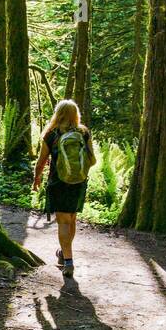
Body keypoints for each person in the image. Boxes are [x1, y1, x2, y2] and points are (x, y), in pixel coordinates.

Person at [33, 99, 95, 277]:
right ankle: (64, 253)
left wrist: (36, 178)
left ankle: (68, 261)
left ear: (58, 113)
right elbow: (92, 159)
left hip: (58, 182)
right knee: (71, 220)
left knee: (63, 221)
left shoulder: (51, 134)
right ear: (76, 114)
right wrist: (78, 173)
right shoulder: (83, 133)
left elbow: (41, 161)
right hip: (79, 183)